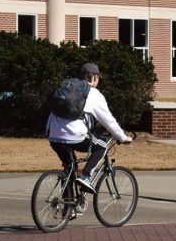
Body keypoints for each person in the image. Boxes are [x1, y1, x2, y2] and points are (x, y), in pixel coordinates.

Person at [47, 63, 131, 191]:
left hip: (53, 135)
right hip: (75, 135)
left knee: (70, 167)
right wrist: (122, 137)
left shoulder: (68, 87)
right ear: (94, 78)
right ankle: (85, 176)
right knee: (102, 146)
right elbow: (108, 121)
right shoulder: (94, 94)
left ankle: (68, 205)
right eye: (98, 78)